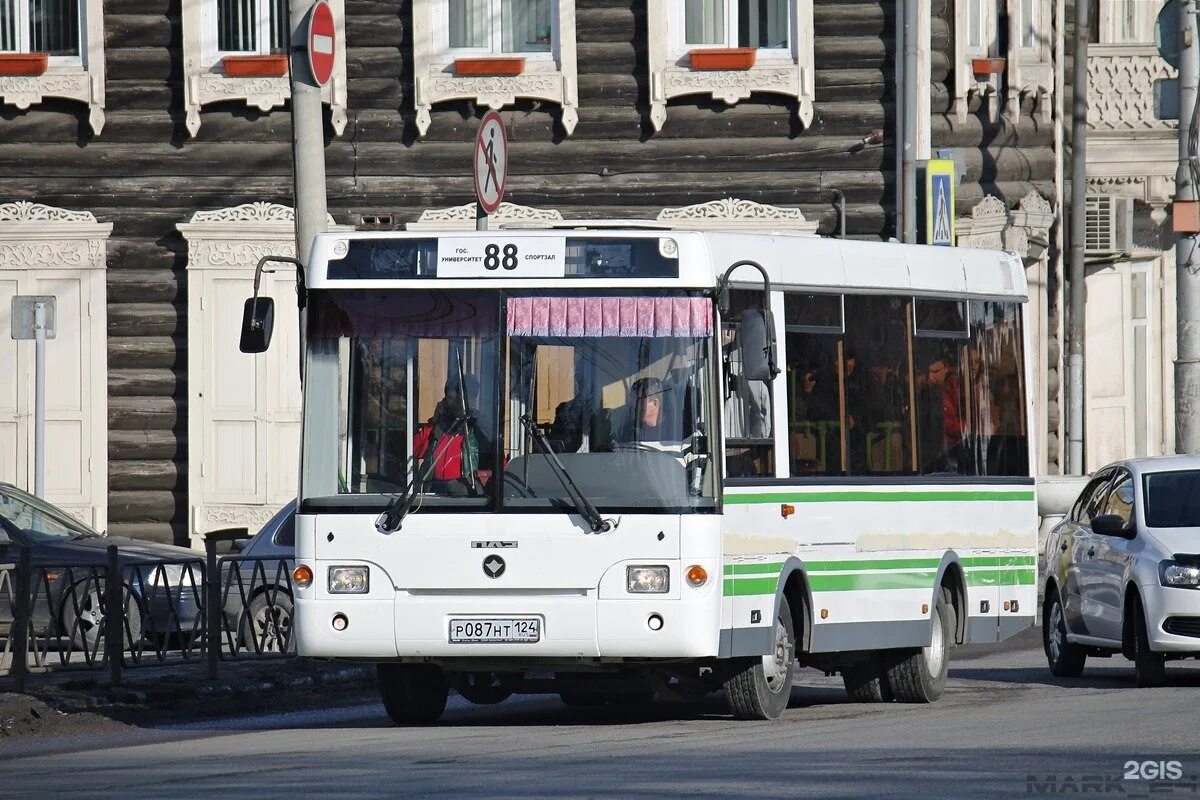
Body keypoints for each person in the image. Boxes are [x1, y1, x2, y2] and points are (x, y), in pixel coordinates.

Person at [412, 375, 491, 495]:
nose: (456, 400)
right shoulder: (438, 428)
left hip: (468, 496)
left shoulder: (479, 428)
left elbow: (497, 465)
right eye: (451, 395)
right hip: (434, 495)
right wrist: (434, 420)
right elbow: (414, 450)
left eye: (463, 395)